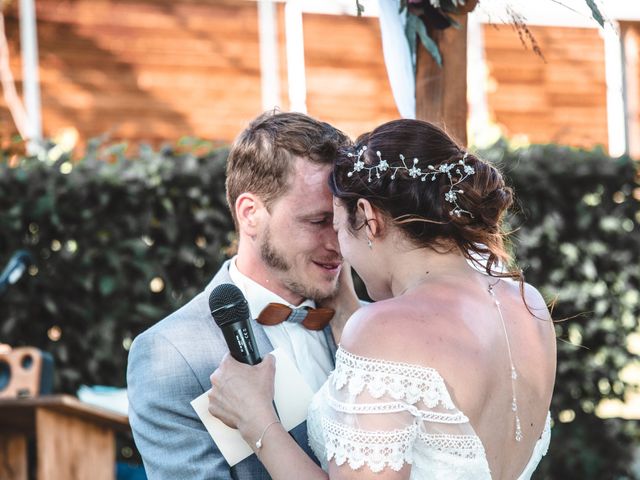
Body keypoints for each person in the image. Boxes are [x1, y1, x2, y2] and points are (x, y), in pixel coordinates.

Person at [208, 119, 557, 480]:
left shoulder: (383, 329)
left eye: (339, 228)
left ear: (369, 219)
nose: (339, 253)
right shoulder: (526, 304)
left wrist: (258, 423)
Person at [127, 111, 360, 479]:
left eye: (344, 222)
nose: (338, 244)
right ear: (250, 214)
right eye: (317, 222)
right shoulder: (172, 356)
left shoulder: (374, 327)